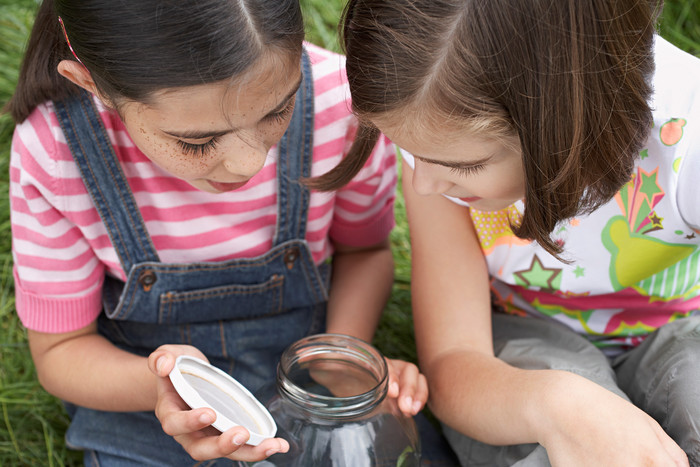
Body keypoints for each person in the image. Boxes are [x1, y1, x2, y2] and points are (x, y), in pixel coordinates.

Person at [6, 0, 430, 465]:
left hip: (304, 386)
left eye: (278, 109)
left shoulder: (338, 104)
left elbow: (364, 251)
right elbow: (62, 351)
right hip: (150, 415)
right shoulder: (58, 153)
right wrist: (161, 387)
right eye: (197, 141)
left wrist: (340, 364)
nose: (251, 162)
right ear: (95, 84)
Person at [318, 0, 700, 465]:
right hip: (519, 340)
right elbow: (455, 360)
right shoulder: (436, 135)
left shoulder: (689, 137)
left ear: (564, 117)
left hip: (680, 327)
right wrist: (557, 406)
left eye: (466, 165)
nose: (424, 184)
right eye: (412, 154)